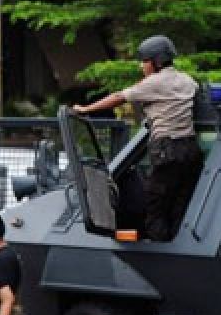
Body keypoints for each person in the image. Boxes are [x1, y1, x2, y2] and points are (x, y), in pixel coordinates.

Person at [73, 34, 203, 241]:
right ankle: (180, 244)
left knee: (154, 204)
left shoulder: (154, 83)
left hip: (167, 149)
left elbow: (118, 97)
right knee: (180, 202)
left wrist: (86, 109)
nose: (142, 66)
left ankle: (158, 250)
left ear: (156, 62)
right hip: (190, 150)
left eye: (144, 61)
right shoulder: (188, 81)